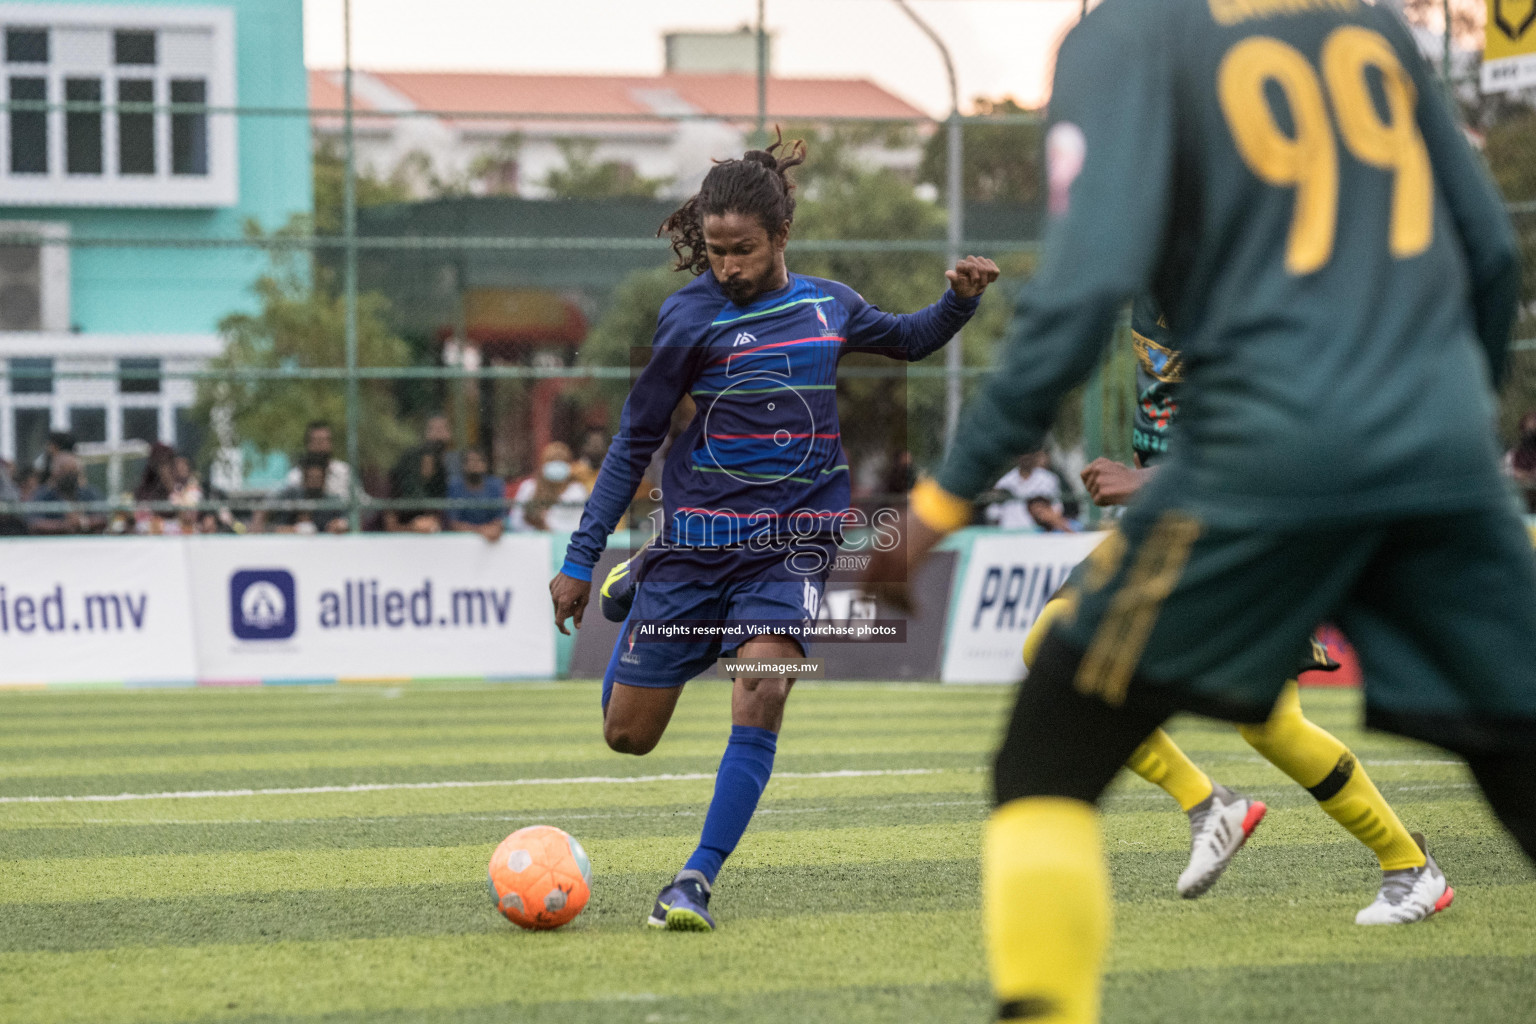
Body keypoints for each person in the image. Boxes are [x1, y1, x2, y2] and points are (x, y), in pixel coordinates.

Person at [864, 1, 1532, 1019]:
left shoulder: (1124, 38)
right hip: (1440, 441)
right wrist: (1436, 423)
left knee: (1048, 747)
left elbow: (1080, 290)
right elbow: (1488, 255)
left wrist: (943, 500)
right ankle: (1355, 847)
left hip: (1266, 462)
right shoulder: (1363, 25)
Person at [548, 133, 999, 933]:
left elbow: (907, 339)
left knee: (761, 688)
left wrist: (959, 300)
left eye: (743, 250)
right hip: (693, 545)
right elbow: (634, 439)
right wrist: (582, 557)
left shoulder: (830, 305)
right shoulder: (687, 317)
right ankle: (642, 577)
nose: (727, 266)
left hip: (791, 546)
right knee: (628, 737)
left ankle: (694, 879)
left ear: (781, 237)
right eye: (716, 251)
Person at [1026, 294, 1450, 923]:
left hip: (1255, 526)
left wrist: (1145, 482)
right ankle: (1210, 807)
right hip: (1179, 527)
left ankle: (1410, 868)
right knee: (1052, 644)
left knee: (1270, 724)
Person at [509, 442, 588, 532]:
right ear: (543, 464)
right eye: (552, 461)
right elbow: (516, 521)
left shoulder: (577, 490)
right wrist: (536, 526)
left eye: (561, 461)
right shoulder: (529, 487)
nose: (557, 465)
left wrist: (549, 524)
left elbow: (582, 523)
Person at [28, 452, 105, 534]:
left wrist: (82, 522)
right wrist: (63, 525)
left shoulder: (88, 493)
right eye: (65, 471)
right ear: (55, 473)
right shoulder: (43, 494)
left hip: (86, 542)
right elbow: (34, 523)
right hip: (54, 543)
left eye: (73, 471)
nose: (70, 477)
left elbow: (103, 518)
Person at [281, 420, 354, 499]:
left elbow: (362, 502)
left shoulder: (345, 471)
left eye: (325, 440)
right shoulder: (295, 476)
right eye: (317, 441)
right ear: (308, 444)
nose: (321, 445)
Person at [447, 447, 506, 541]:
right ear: (463, 465)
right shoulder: (455, 486)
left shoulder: (495, 485)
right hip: (462, 541)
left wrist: (492, 529)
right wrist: (480, 530)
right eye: (470, 461)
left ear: (485, 465)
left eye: (479, 461)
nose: (474, 464)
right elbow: (454, 523)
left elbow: (499, 519)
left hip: (490, 541)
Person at [1503, 410, 1536, 513]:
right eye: (1527, 431)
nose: (1530, 435)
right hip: (1519, 509)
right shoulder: (1512, 456)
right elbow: (1503, 474)